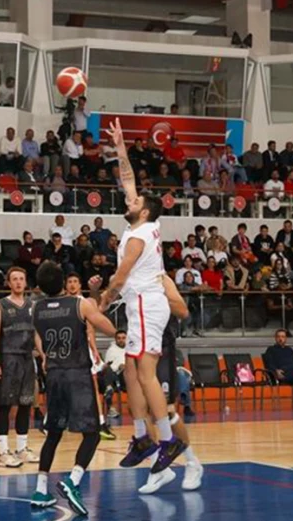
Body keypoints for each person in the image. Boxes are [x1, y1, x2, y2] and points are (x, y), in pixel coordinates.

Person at [100, 118, 185, 474]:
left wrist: (104, 298)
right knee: (131, 371)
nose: (128, 198)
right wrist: (120, 147)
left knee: (146, 374)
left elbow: (120, 276)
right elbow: (128, 178)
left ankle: (168, 439)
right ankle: (141, 436)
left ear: (144, 210)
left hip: (147, 303)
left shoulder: (139, 235)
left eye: (134, 200)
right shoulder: (142, 224)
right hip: (140, 306)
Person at [29, 261, 117, 516]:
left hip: (54, 375)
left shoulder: (36, 308)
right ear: (63, 281)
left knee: (54, 433)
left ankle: (40, 489)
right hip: (77, 374)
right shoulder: (79, 304)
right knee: (92, 433)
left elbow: (37, 338)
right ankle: (73, 480)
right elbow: (107, 327)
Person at [139, 280, 203, 494]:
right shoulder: (132, 277)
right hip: (141, 348)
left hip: (163, 349)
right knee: (143, 412)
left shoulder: (161, 279)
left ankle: (193, 463)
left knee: (167, 411)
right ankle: (159, 468)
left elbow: (183, 311)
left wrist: (161, 296)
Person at [0, 266, 38, 468]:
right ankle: (2, 452)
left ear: (26, 282)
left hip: (27, 358)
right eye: (14, 279)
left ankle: (22, 448)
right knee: (5, 406)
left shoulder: (33, 306)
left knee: (26, 403)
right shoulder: (0, 305)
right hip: (9, 359)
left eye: (21, 278)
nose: (18, 282)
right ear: (9, 283)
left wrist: (43, 355)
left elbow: (37, 335)